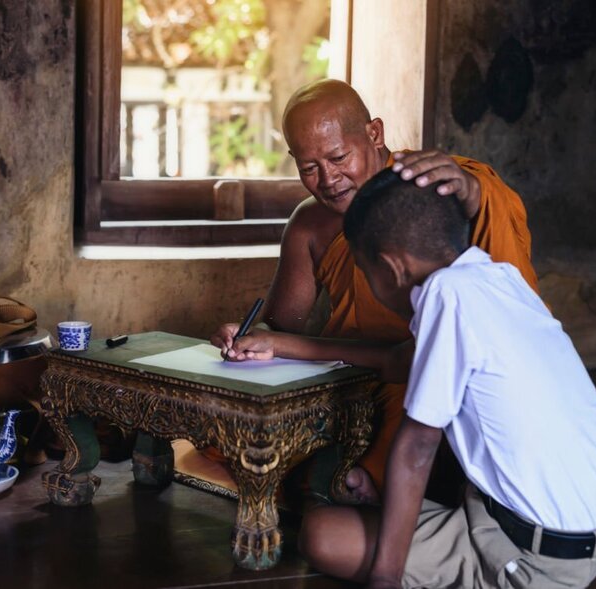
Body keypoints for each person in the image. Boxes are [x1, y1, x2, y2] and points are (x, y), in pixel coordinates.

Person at [299, 168, 596, 588]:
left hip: (537, 561)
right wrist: (281, 347)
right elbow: (395, 361)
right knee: (396, 491)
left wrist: (384, 578)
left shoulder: (445, 296)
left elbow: (417, 448)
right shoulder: (496, 278)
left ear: (390, 268)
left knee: (322, 534)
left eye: (366, 274)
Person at [211, 78, 539, 504]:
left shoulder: (428, 187)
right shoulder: (310, 223)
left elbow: (490, 233)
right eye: (308, 168)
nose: (328, 179)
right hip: (345, 371)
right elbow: (279, 326)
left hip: (423, 367)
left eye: (338, 157)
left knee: (422, 402)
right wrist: (247, 338)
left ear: (375, 133)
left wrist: (472, 191)